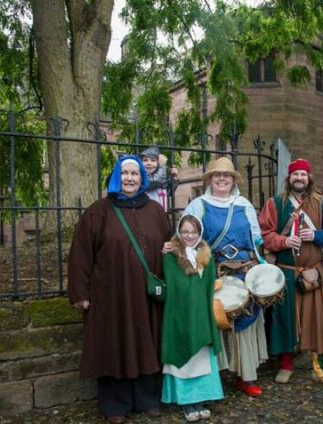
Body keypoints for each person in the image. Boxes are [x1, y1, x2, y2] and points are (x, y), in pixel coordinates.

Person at [68, 155, 171, 423]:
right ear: (116, 176)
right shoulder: (98, 211)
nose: (129, 178)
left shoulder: (156, 211)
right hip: (111, 295)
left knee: (148, 343)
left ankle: (148, 399)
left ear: (142, 178)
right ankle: (115, 405)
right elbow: (81, 254)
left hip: (147, 297)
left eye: (134, 174)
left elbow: (170, 245)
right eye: (124, 173)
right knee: (114, 344)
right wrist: (81, 293)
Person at [178, 157, 268, 397]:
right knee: (215, 323)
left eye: (226, 176)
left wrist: (261, 269)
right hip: (214, 272)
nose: (221, 179)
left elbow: (256, 238)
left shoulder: (244, 205)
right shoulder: (199, 205)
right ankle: (213, 377)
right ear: (209, 179)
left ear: (232, 180)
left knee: (245, 324)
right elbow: (186, 237)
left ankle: (245, 377)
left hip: (244, 271)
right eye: (216, 175)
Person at [258, 158, 323, 387]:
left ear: (309, 177)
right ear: (289, 178)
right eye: (295, 175)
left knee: (319, 319)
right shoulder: (275, 204)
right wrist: (284, 241)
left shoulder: (322, 203)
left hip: (314, 272)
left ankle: (320, 368)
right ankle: (286, 364)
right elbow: (264, 235)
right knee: (285, 319)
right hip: (285, 272)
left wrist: (316, 236)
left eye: (303, 175)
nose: (299, 178)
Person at [160, 214, 223, 422]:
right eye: (185, 231)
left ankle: (200, 399)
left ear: (200, 233)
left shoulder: (206, 256)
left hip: (201, 314)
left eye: (193, 232)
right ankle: (186, 402)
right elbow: (176, 284)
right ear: (179, 232)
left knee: (201, 358)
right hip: (180, 313)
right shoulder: (171, 255)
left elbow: (207, 286)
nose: (189, 236)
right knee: (185, 359)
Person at [140, 146, 179, 211]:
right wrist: (162, 166)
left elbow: (169, 192)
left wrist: (174, 178)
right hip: (146, 215)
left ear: (158, 163)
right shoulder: (140, 176)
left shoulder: (161, 176)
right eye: (145, 160)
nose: (149, 163)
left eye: (153, 160)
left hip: (161, 215)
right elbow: (152, 183)